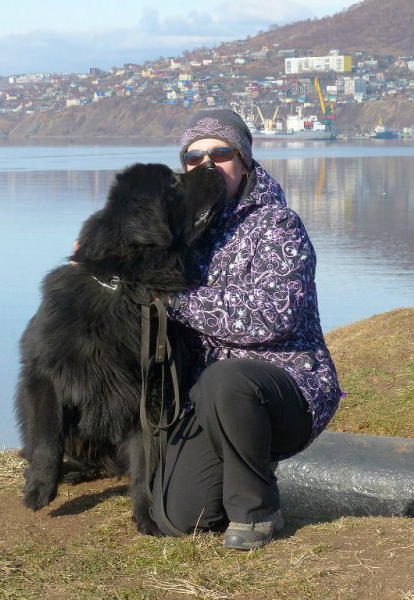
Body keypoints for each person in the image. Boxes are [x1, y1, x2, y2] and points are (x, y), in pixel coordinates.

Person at [150, 107, 341, 550]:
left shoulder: (279, 225)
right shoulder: (182, 234)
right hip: (207, 398)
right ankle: (224, 483)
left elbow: (273, 316)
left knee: (228, 379)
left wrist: (176, 300)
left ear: (245, 160)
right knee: (178, 519)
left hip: (287, 388)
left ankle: (257, 511)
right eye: (194, 159)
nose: (208, 166)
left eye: (221, 153)